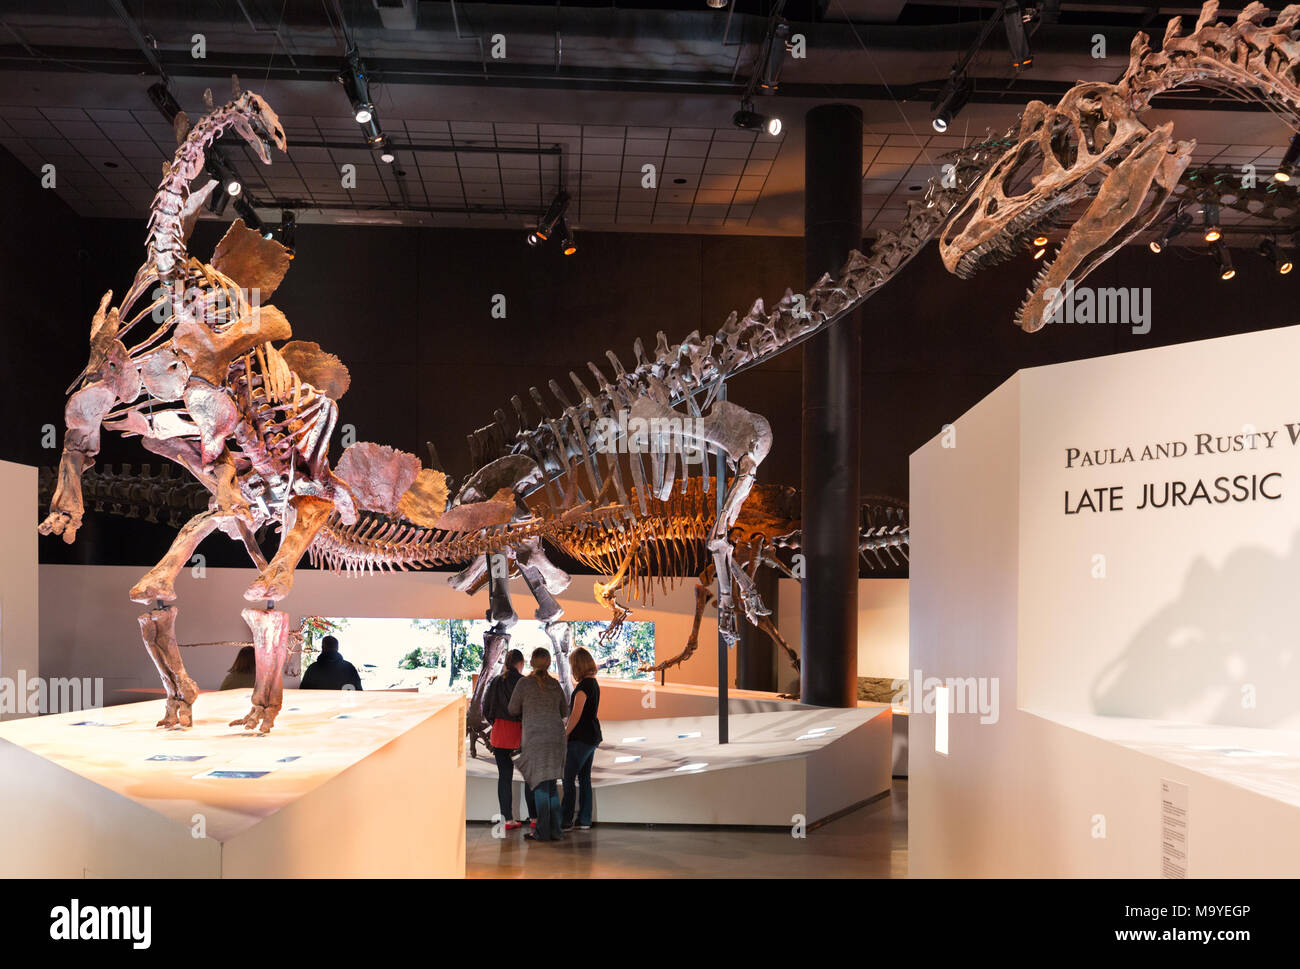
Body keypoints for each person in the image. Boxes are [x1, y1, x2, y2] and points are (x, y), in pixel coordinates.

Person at [507, 647, 567, 842]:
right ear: (549, 663)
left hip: (535, 738)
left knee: (540, 785)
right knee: (550, 784)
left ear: (531, 662)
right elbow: (564, 710)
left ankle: (542, 832)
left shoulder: (524, 684)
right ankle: (555, 830)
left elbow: (512, 708)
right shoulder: (555, 684)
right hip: (556, 737)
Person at [481, 648, 536, 830]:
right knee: (529, 777)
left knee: (504, 777)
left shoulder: (495, 681)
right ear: (520, 663)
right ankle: (534, 818)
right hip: (520, 734)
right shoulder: (525, 682)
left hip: (499, 733)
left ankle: (507, 820)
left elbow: (486, 707)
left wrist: (495, 722)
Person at [561, 646, 602, 831]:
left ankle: (566, 820)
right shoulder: (593, 683)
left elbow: (575, 716)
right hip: (592, 737)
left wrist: (565, 734)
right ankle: (584, 819)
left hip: (581, 739)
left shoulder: (583, 687)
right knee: (584, 778)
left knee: (568, 777)